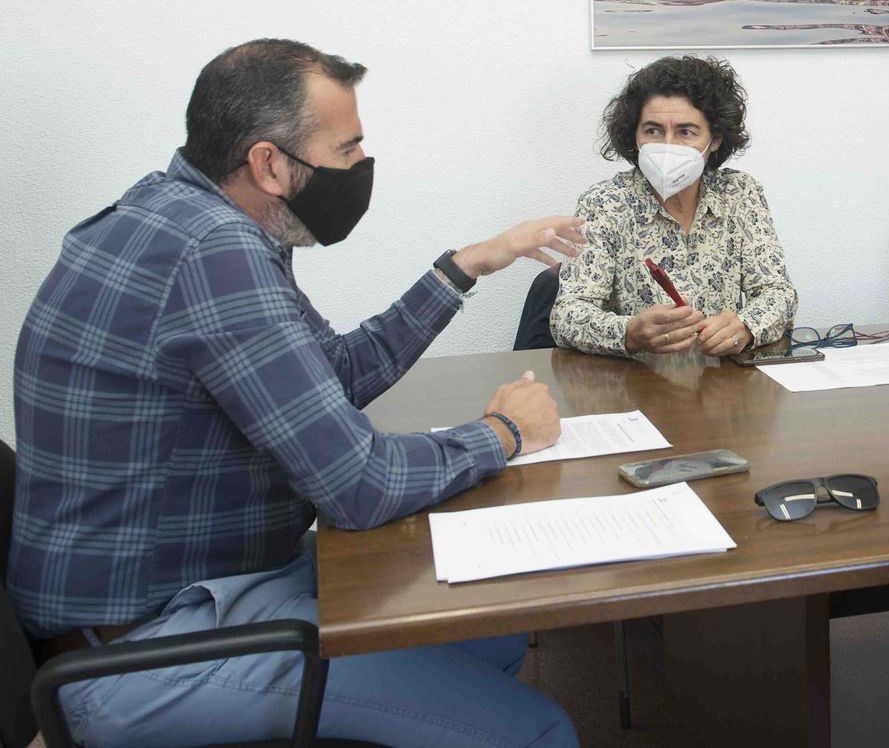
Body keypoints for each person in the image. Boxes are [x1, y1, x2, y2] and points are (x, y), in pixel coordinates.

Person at [8, 39, 585, 747]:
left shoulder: (184, 214)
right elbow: (359, 486)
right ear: (270, 163)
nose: (362, 169)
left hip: (189, 593)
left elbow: (332, 373)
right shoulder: (214, 253)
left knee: (493, 640)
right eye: (349, 150)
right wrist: (504, 432)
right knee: (539, 730)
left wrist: (464, 266)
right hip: (141, 651)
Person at [552, 55, 798, 357]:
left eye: (686, 132)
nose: (668, 146)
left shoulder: (740, 194)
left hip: (722, 386)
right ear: (634, 135)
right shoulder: (604, 203)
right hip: (638, 384)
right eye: (653, 131)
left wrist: (746, 327)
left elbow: (779, 293)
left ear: (716, 139)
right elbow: (566, 316)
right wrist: (629, 334)